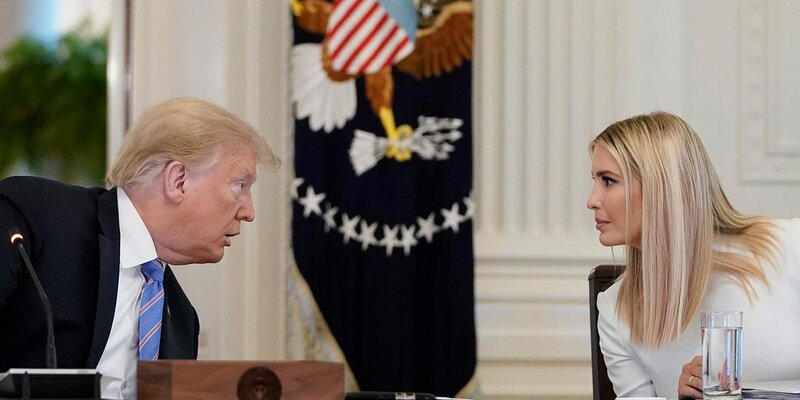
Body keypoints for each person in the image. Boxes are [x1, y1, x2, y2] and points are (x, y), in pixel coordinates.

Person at [0, 97, 280, 399]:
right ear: (178, 180)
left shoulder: (183, 322)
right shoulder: (33, 218)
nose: (249, 212)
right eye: (240, 185)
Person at [586, 111, 800, 398]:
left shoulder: (788, 246)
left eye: (608, 181)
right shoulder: (615, 309)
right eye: (595, 180)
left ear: (661, 185)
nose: (591, 201)